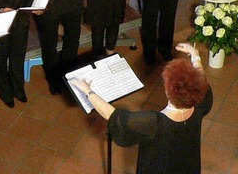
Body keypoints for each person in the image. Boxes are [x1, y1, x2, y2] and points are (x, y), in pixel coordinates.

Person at [72, 43, 212, 174]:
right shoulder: (200, 103)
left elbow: (114, 116)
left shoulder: (154, 123)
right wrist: (195, 54)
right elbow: (201, 79)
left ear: (168, 91)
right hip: (188, 167)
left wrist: (87, 91)